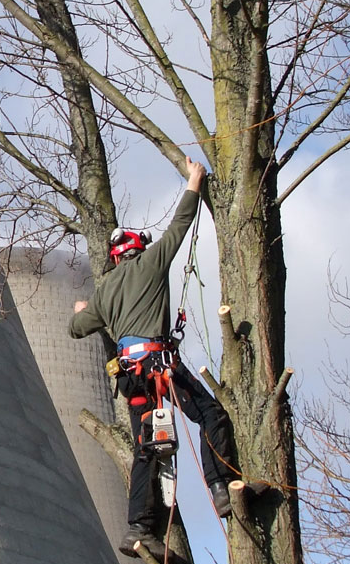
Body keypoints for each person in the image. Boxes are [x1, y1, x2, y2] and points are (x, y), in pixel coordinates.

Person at [69, 157, 236, 559]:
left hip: (132, 377)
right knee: (210, 414)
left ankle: (138, 529)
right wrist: (195, 180)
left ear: (113, 257)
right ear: (138, 249)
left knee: (147, 447)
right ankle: (221, 489)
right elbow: (180, 225)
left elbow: (76, 329)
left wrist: (80, 311)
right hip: (161, 365)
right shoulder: (151, 262)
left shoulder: (105, 291)